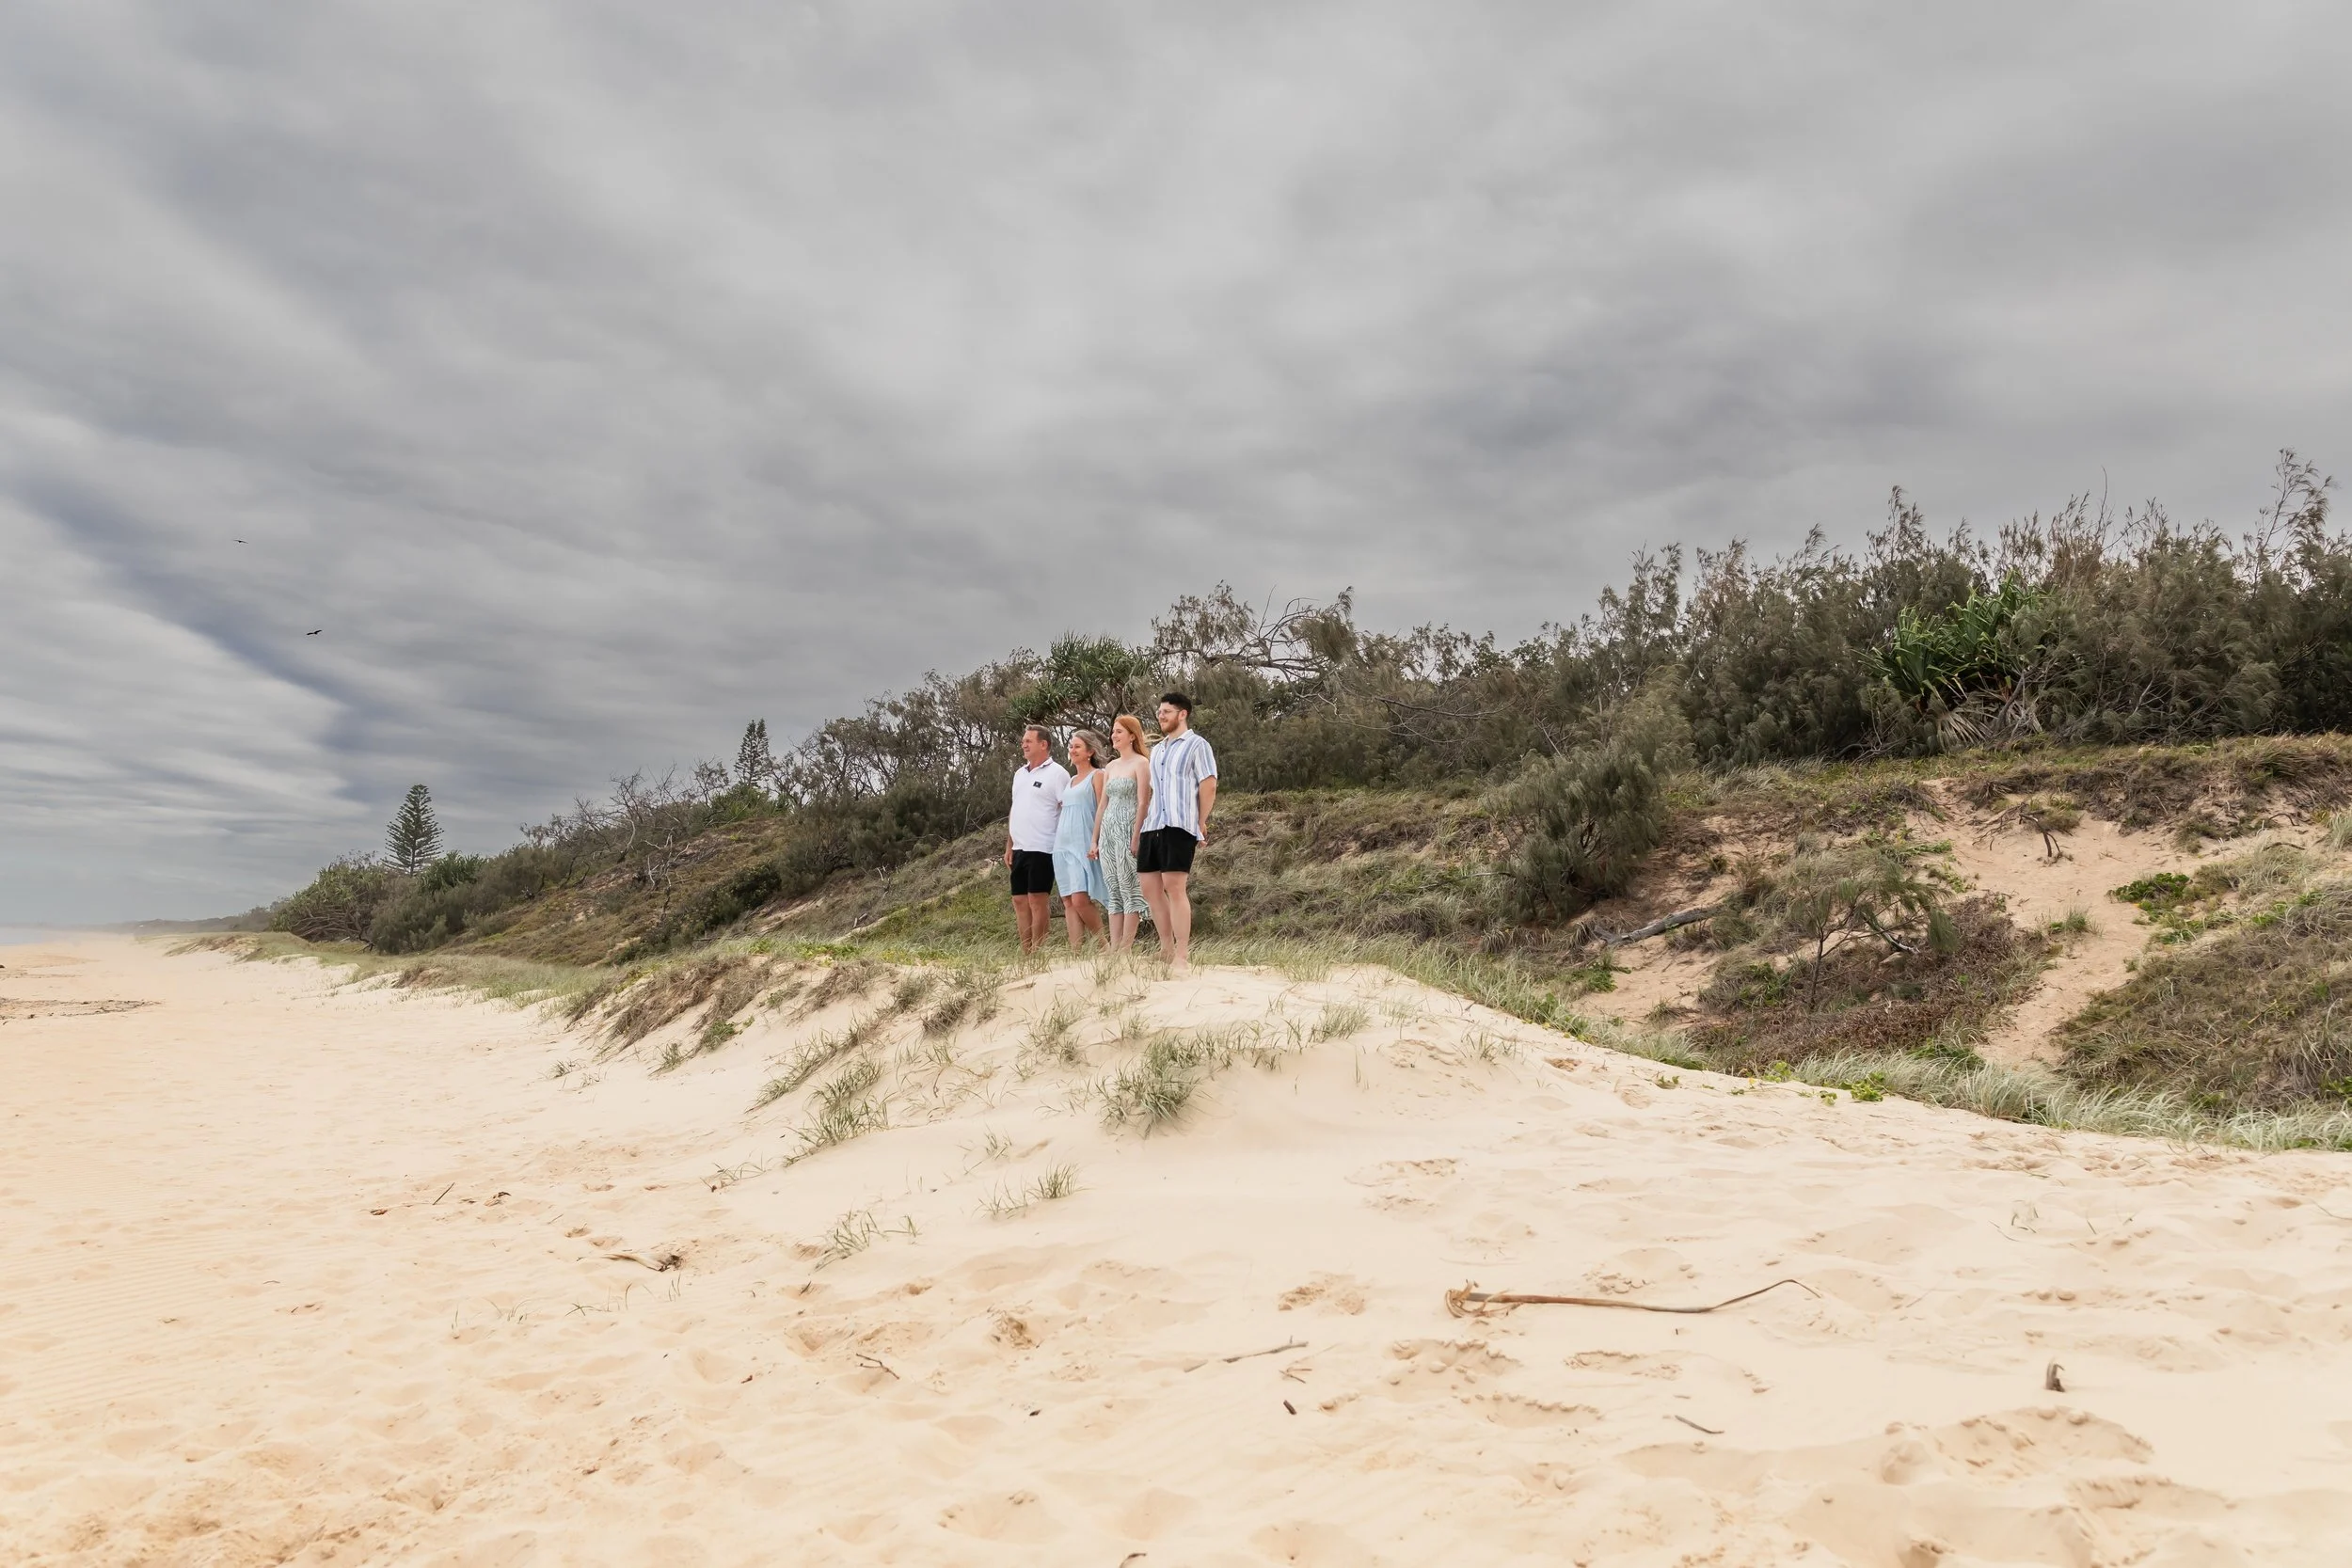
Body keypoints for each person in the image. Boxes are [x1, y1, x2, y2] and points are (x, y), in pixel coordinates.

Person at [1136, 692, 1216, 974]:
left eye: (1167, 711)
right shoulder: (1157, 750)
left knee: (1174, 887)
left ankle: (1182, 953)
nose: (1161, 716)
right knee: (1149, 888)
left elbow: (1208, 784)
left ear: (1182, 714)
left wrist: (1201, 821)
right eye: (1159, 711)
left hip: (1180, 824)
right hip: (1153, 825)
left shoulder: (1197, 745)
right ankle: (1165, 947)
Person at [1090, 714, 1152, 950]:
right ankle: (1114, 949)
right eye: (1113, 731)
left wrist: (1136, 836)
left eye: (1119, 732)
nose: (1113, 736)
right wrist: (1094, 840)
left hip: (1128, 830)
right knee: (1113, 889)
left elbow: (1143, 803)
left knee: (1129, 888)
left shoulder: (1141, 763)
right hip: (1108, 832)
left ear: (1132, 736)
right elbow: (1102, 806)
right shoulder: (1111, 767)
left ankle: (1125, 949)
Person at [1004, 724, 1068, 953]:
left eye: (1029, 741)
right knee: (1019, 901)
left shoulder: (1058, 773)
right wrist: (1009, 845)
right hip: (1019, 847)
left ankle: (1040, 952)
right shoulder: (1019, 774)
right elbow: (1015, 808)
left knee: (1037, 900)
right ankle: (1026, 952)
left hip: (1044, 847)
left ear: (1044, 744)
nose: (1024, 744)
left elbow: (1066, 808)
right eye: (1023, 741)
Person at [1053, 729, 1110, 949]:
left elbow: (1102, 808)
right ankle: (1075, 951)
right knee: (1068, 900)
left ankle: (1103, 945)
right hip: (1062, 845)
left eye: (1077, 746)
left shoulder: (1098, 775)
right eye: (1070, 746)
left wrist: (1097, 841)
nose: (1072, 750)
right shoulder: (1071, 780)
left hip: (1083, 842)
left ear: (1090, 751)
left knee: (1080, 899)